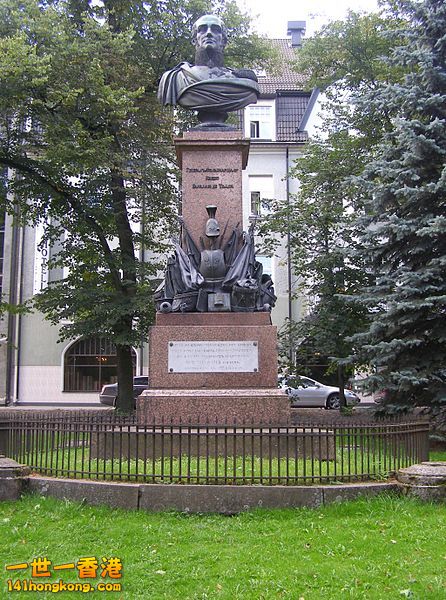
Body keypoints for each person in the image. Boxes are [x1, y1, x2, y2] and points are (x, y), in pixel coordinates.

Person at [157, 14, 259, 124]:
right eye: (202, 29)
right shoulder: (175, 79)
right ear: (194, 40)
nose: (209, 33)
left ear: (223, 41)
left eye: (215, 29)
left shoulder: (242, 82)